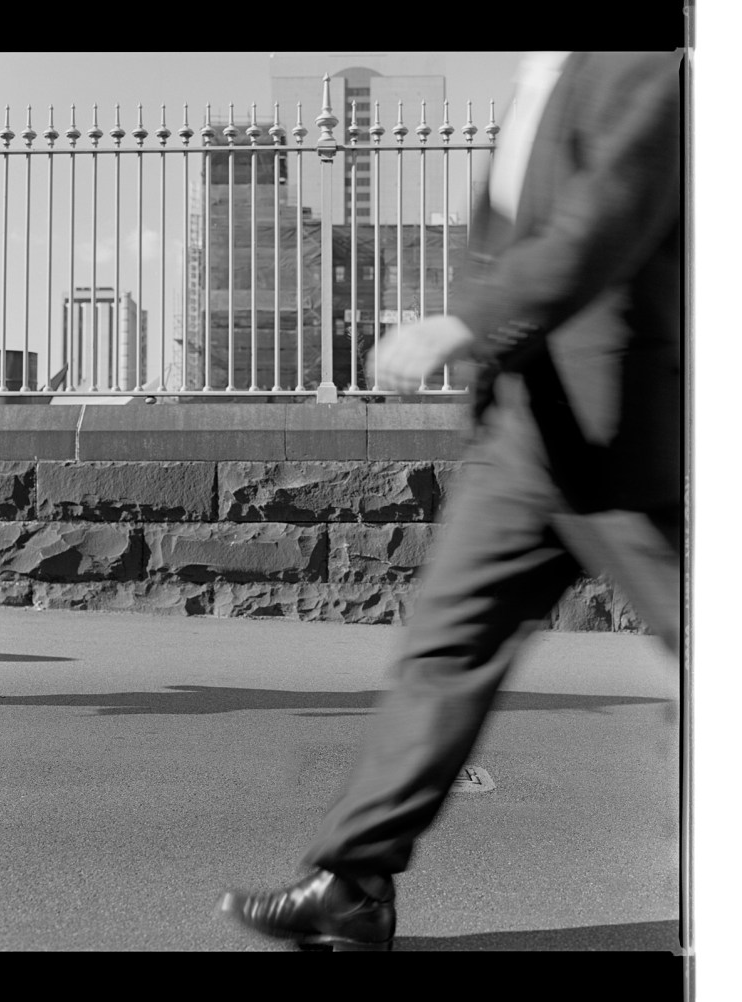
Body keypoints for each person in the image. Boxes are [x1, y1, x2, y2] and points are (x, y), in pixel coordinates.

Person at [218, 50, 683, 952]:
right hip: (521, 419)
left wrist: (465, 320)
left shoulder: (640, 59)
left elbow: (607, 215)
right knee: (443, 641)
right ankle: (351, 888)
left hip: (612, 417)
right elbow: (514, 226)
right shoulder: (542, 72)